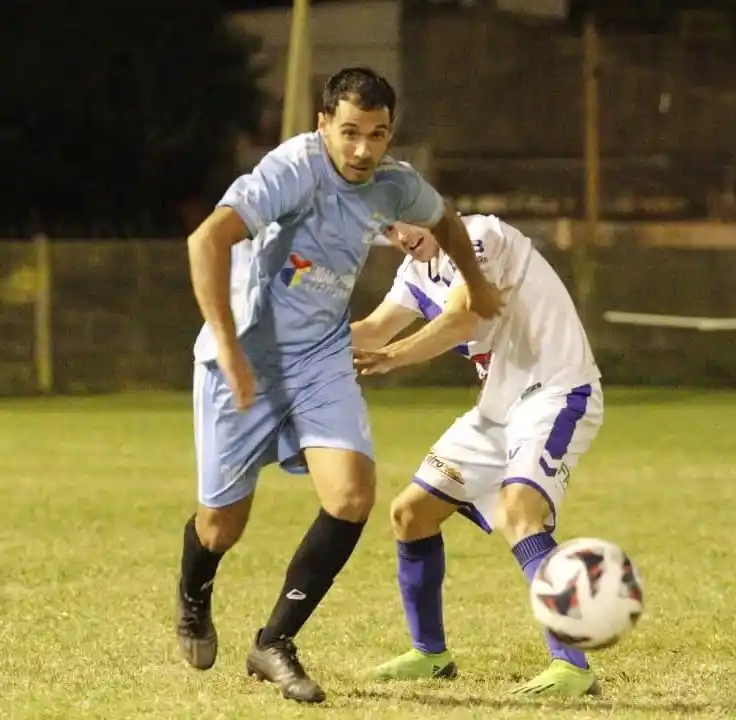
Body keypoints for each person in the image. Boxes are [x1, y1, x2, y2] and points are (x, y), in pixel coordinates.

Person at [174, 67, 503, 705]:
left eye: (376, 135)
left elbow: (446, 218)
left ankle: (274, 642)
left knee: (352, 495)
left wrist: (477, 281)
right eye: (349, 132)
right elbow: (207, 238)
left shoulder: (393, 183)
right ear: (323, 124)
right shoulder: (293, 169)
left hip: (321, 358)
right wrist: (229, 345)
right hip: (243, 358)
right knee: (221, 525)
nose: (361, 149)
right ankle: (193, 595)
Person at [350, 214, 604, 697]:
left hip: (556, 390)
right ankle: (431, 655)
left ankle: (572, 666)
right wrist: (297, 342)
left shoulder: (478, 236)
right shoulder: (414, 273)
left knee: (519, 511)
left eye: (405, 222)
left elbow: (465, 315)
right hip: (498, 409)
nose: (400, 237)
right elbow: (373, 330)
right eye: (387, 230)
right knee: (411, 514)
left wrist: (395, 356)